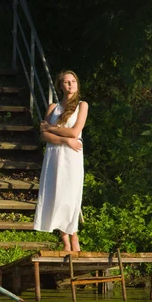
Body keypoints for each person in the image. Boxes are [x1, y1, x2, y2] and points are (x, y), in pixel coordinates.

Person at [33, 70, 88, 251]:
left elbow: (74, 132)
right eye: (66, 82)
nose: (70, 85)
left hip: (72, 157)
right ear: (61, 86)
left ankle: (74, 237)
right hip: (55, 155)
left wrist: (51, 128)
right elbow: (43, 134)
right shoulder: (53, 107)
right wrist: (63, 139)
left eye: (73, 81)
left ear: (77, 83)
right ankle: (65, 240)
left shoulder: (82, 105)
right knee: (56, 194)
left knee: (71, 195)